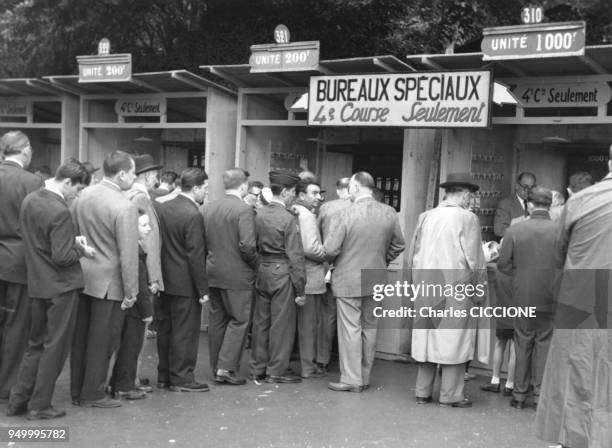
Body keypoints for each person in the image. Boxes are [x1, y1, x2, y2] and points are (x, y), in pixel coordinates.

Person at [6, 160, 94, 419]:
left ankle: (18, 401)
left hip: (37, 284)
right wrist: (81, 249)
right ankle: (39, 405)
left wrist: (68, 241)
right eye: (77, 189)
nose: (77, 195)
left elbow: (32, 236)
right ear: (67, 182)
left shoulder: (30, 200)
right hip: (61, 287)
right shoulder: (60, 211)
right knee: (55, 348)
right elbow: (62, 256)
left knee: (35, 345)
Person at [536, 150, 612, 448]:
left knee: (576, 375)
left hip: (581, 299)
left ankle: (574, 439)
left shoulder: (581, 201)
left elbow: (558, 255)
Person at [408, 172, 486, 407]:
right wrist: (479, 291)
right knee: (454, 342)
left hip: (425, 286)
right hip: (456, 287)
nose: (471, 200)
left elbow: (413, 254)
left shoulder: (425, 216)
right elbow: (474, 260)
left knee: (427, 340)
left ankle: (422, 392)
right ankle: (450, 395)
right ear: (463, 194)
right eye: (470, 196)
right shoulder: (467, 218)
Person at [325, 171, 405, 392]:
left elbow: (330, 249)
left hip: (348, 277)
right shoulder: (389, 212)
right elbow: (399, 244)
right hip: (377, 276)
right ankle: (365, 376)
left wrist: (332, 259)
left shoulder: (344, 214)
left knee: (350, 328)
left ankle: (352, 379)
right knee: (370, 328)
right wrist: (383, 260)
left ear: (356, 188)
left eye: (350, 186)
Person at [70, 150, 139, 408]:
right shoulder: (125, 206)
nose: (133, 178)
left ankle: (77, 390)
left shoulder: (82, 196)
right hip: (110, 282)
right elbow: (128, 253)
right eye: (132, 173)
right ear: (122, 174)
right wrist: (132, 291)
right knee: (103, 341)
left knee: (81, 339)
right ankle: (93, 393)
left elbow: (75, 236)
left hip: (83, 274)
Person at [497, 187, 558, 410]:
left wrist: (521, 274)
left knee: (522, 343)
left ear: (529, 205)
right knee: (544, 343)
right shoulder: (560, 230)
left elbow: (503, 265)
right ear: (549, 205)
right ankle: (540, 394)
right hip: (551, 295)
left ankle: (519, 395)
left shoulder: (515, 230)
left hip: (523, 294)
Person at [155, 168, 209, 392]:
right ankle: (182, 377)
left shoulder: (162, 207)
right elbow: (195, 254)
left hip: (164, 280)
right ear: (195, 188)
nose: (206, 193)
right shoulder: (193, 214)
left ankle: (164, 374)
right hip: (186, 282)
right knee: (185, 332)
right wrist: (203, 289)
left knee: (166, 330)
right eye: (205, 188)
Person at [250, 171, 306, 384]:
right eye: (292, 191)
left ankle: (258, 368)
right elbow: (296, 256)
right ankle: (276, 371)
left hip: (262, 270)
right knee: (281, 325)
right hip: (282, 273)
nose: (294, 195)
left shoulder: (259, 214)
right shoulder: (289, 219)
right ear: (284, 191)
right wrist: (300, 289)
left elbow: (251, 244)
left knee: (261, 323)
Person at [0, 131, 43, 402]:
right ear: (25, 151)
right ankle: (7, 387)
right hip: (19, 262)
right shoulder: (32, 181)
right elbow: (39, 222)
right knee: (16, 326)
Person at [204, 168, 258, 385]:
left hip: (213, 271)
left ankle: (216, 366)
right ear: (244, 185)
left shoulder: (208, 208)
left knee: (217, 320)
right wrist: (257, 265)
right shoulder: (244, 210)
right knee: (239, 320)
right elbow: (247, 246)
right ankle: (225, 368)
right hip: (238, 275)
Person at [109, 209, 154, 400]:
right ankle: (124, 386)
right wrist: (147, 312)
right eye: (143, 225)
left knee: (127, 345)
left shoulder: (128, 247)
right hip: (135, 308)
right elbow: (140, 284)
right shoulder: (135, 251)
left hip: (129, 305)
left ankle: (118, 383)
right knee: (131, 346)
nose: (148, 228)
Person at [292, 179, 327, 378]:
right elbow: (311, 248)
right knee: (309, 325)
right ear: (302, 195)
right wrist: (327, 254)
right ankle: (308, 366)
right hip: (310, 276)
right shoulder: (307, 216)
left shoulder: (293, 210)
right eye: (314, 193)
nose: (319, 197)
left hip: (294, 275)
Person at [316, 177, 351, 371]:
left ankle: (322, 359)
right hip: (358, 270)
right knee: (356, 318)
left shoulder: (326, 208)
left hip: (330, 267)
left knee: (327, 314)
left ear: (338, 190)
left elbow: (318, 235)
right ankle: (352, 362)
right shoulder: (365, 209)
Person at [494, 171, 537, 239]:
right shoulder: (505, 204)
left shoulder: (537, 203)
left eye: (531, 188)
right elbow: (499, 231)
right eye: (525, 187)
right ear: (517, 186)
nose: (528, 191)